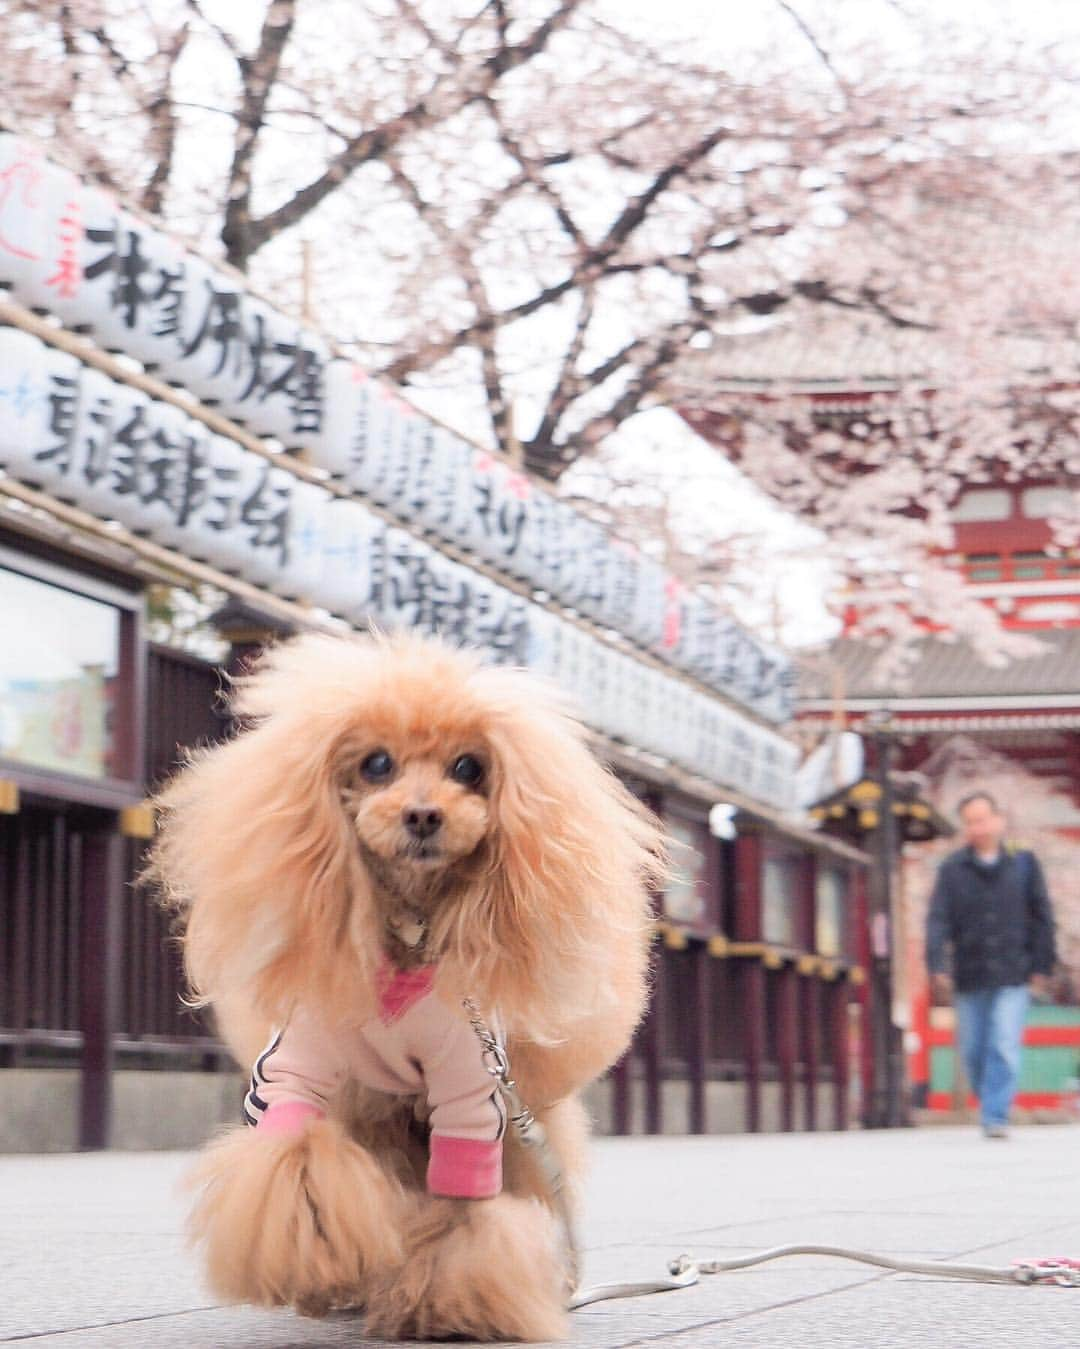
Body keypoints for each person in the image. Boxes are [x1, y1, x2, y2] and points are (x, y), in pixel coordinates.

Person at [926, 790, 1056, 1138]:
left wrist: (1043, 963)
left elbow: (1042, 915)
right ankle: (991, 1102)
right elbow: (938, 918)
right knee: (973, 1049)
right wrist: (936, 961)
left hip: (1014, 970)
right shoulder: (953, 869)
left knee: (1003, 1040)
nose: (977, 827)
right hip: (970, 972)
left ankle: (995, 1114)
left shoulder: (1024, 863)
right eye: (970, 822)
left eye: (982, 819)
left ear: (998, 820)